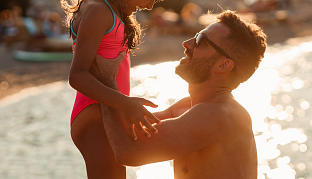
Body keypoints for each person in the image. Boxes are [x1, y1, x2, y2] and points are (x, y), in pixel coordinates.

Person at [60, 0, 181, 178]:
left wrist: (123, 106)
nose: (149, 5)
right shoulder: (97, 10)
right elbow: (78, 75)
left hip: (106, 110)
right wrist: (125, 104)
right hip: (95, 113)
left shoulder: (109, 9)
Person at [92, 10, 267, 178]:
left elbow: (129, 152)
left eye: (201, 41)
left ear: (223, 65)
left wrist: (106, 80)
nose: (188, 43)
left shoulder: (218, 115)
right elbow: (128, 130)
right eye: (196, 35)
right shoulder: (187, 107)